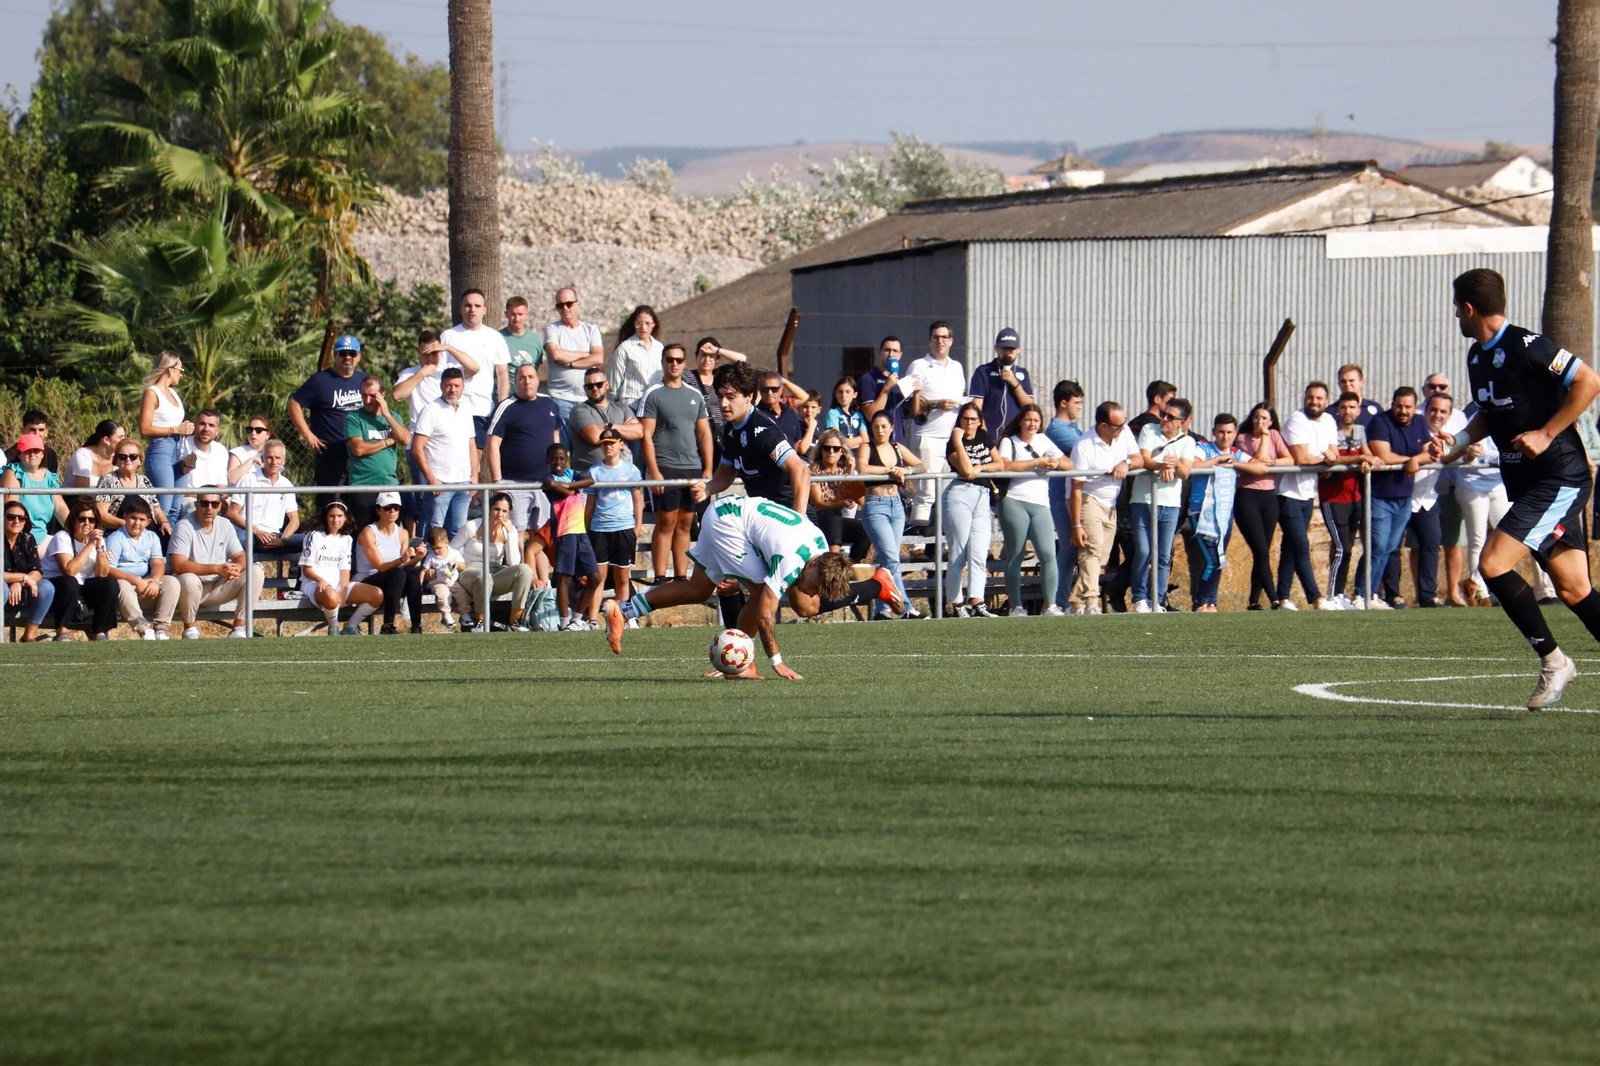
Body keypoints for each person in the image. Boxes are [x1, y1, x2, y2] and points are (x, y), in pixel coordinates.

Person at [1439, 268, 1600, 708]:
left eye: (1457, 308)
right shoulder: (1477, 357)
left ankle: (1554, 662)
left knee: (1491, 564)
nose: (1456, 316)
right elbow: (1491, 415)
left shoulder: (1529, 346)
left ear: (1469, 308)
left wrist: (1546, 433)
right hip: (1530, 483)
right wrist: (1456, 442)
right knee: (1573, 589)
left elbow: (1589, 381)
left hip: (1558, 477)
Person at [603, 494, 898, 681]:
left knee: (697, 590)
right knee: (760, 597)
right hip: (728, 524)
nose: (810, 590)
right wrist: (777, 661)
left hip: (726, 514)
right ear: (811, 566)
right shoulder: (792, 558)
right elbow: (766, 614)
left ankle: (624, 609)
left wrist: (739, 576)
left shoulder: (818, 549)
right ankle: (744, 664)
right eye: (814, 585)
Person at [1354, 387, 1442, 610]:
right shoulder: (1380, 422)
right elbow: (1384, 456)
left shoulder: (1421, 422)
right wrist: (1412, 460)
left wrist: (1415, 460)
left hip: (1404, 496)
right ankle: (1361, 593)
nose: (1403, 411)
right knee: (1377, 546)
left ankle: (1372, 595)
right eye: (1399, 406)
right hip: (1380, 496)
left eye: (1408, 407)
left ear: (1415, 407)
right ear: (1392, 404)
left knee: (1390, 547)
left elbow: (1430, 452)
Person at [639, 343, 713, 582]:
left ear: (684, 363)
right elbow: (646, 435)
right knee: (666, 521)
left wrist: (708, 468)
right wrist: (654, 471)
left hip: (692, 467)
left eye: (679, 360)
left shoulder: (694, 395)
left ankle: (681, 577)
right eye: (670, 359)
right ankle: (660, 576)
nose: (674, 364)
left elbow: (704, 433)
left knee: (686, 522)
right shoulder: (654, 394)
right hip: (666, 466)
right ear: (663, 362)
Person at [488, 362, 564, 580]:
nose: (527, 381)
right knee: (518, 534)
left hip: (545, 483)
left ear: (537, 379)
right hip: (515, 483)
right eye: (522, 378)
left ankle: (544, 584)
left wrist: (559, 475)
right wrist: (497, 480)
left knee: (540, 537)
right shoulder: (507, 406)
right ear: (516, 382)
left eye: (531, 377)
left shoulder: (549, 404)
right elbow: (493, 444)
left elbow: (556, 439)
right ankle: (524, 580)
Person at [1187, 413, 1267, 612]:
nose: (1225, 436)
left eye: (1229, 432)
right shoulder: (1203, 448)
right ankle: (1200, 601)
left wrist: (1235, 464)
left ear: (1235, 433)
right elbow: (1193, 465)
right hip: (1201, 510)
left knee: (1219, 559)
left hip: (1224, 514)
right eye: (1221, 432)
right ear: (1214, 432)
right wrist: (1218, 460)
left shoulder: (1235, 453)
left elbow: (1260, 467)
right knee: (1211, 560)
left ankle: (1211, 603)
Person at [1068, 402, 1142, 615]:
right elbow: (1076, 488)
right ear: (1102, 425)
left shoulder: (1124, 432)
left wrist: (1126, 462)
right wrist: (1076, 525)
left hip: (1111, 503)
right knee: (1092, 549)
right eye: (1117, 425)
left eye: (1123, 423)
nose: (1122, 428)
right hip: (1088, 499)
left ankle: (1076, 598)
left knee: (1101, 556)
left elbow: (1139, 458)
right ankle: (1092, 601)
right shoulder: (1084, 446)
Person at [1384, 391, 1453, 608]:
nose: (1437, 415)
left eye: (1443, 411)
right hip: (1400, 496)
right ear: (1423, 409)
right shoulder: (1414, 427)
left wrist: (1465, 452)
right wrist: (1414, 458)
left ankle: (1427, 595)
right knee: (1393, 546)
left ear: (1450, 414)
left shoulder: (1450, 436)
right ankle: (1393, 594)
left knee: (1431, 544)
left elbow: (1448, 455)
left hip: (1427, 499)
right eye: (1433, 410)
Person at [997, 404, 1068, 615]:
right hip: (1014, 500)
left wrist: (1056, 462)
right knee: (1016, 554)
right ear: (1020, 421)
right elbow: (1005, 465)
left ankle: (1051, 605)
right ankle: (1015, 606)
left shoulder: (1044, 440)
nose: (1032, 424)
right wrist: (1036, 461)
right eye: (1028, 420)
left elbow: (1069, 463)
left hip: (1040, 503)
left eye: (1036, 421)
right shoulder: (1009, 441)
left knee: (1047, 554)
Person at [1277, 381, 1342, 611]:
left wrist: (1330, 460)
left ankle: (1282, 598)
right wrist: (1326, 461)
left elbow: (1334, 453)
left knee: (1291, 547)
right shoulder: (1297, 419)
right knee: (1301, 545)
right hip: (1287, 493)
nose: (1314, 401)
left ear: (1326, 401)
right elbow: (1302, 458)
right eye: (1310, 397)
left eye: (1319, 398)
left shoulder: (1329, 421)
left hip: (1307, 493)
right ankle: (1315, 598)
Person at [857, 409, 924, 619]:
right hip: (875, 506)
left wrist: (906, 470)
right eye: (876, 427)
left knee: (888, 561)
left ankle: (882, 609)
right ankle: (904, 607)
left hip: (896, 505)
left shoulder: (897, 447)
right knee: (892, 559)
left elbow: (921, 466)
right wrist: (891, 470)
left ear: (891, 428)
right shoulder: (866, 447)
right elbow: (863, 468)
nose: (880, 431)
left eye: (884, 426)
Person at [169, 491, 264, 639]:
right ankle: (189, 628)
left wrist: (237, 567)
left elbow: (240, 556)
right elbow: (178, 565)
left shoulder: (225, 524)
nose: (209, 508)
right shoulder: (184, 526)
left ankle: (238, 627)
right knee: (189, 579)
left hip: (219, 586)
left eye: (214, 504)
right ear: (196, 505)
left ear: (220, 506)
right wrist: (216, 569)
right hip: (193, 589)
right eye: (204, 503)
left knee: (256, 570)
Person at [1131, 397, 1196, 613]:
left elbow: (1185, 472)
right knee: (1144, 550)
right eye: (1163, 414)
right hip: (1144, 500)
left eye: (1170, 417)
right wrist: (1162, 466)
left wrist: (1174, 462)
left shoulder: (1187, 442)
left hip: (1170, 504)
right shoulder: (1150, 429)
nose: (1164, 419)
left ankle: (1157, 600)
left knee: (1163, 553)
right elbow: (1144, 459)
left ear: (1182, 422)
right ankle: (1140, 597)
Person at [943, 402, 1005, 617]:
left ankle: (977, 602)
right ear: (959, 421)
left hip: (982, 496)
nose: (969, 423)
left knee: (979, 553)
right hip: (959, 494)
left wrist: (982, 466)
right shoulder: (953, 443)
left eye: (973, 419)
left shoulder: (985, 438)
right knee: (958, 554)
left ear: (979, 422)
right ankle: (957, 603)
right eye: (965, 419)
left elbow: (1000, 464)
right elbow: (965, 469)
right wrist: (958, 440)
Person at [289, 332, 369, 490]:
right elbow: (294, 404)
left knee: (358, 506)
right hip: (330, 455)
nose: (348, 357)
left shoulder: (364, 380)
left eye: (352, 353)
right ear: (335, 355)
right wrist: (308, 436)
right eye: (343, 353)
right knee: (329, 505)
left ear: (358, 356)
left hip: (359, 455)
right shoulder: (320, 380)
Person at [906, 321, 966, 527]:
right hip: (928, 437)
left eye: (944, 337)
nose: (940, 341)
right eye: (935, 337)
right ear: (929, 340)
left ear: (951, 341)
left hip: (951, 439)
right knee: (926, 493)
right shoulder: (919, 365)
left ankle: (944, 544)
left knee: (949, 493)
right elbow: (909, 405)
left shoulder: (957, 367)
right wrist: (935, 404)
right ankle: (917, 546)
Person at [582, 428, 643, 628]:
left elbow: (637, 499)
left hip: (623, 527)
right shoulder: (595, 471)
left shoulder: (631, 470)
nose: (608, 447)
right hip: (600, 528)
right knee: (598, 578)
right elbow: (590, 504)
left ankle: (622, 617)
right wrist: (586, 528)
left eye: (612, 442)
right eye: (605, 443)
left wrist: (637, 526)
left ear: (621, 444)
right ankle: (592, 619)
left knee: (622, 578)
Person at [440, 288, 511, 452]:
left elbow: (502, 376)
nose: (472, 309)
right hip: (451, 408)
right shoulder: (448, 336)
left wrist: (501, 408)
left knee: (475, 462)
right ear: (461, 308)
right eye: (468, 305)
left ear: (484, 309)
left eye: (477, 306)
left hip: (481, 408)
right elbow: (439, 374)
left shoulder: (495, 338)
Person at [1233, 403, 1289, 610]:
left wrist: (1271, 463)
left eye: (1264, 418)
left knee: (1263, 551)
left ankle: (1254, 601)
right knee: (1260, 549)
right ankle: (1274, 598)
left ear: (1271, 421)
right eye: (1257, 417)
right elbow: (1257, 466)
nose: (1259, 421)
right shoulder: (1243, 438)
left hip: (1269, 497)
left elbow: (1288, 459)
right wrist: (1264, 437)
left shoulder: (1275, 435)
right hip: (1248, 496)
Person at [410, 366, 477, 538]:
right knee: (433, 531)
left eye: (456, 385)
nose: (452, 389)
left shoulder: (466, 410)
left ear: (463, 387)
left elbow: (471, 445)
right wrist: (431, 478)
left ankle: (452, 565)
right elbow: (417, 448)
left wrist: (474, 476)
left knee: (458, 532)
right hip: (440, 484)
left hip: (463, 483)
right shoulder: (431, 410)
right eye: (448, 385)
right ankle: (426, 565)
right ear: (441, 386)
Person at [453, 491, 533, 633]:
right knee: (483, 577)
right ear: (489, 509)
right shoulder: (473, 526)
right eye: (496, 509)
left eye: (504, 511)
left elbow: (514, 563)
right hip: (471, 571)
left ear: (509, 513)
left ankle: (514, 621)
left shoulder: (510, 530)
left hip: (495, 572)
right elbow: (450, 550)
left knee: (524, 570)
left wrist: (510, 535)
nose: (499, 514)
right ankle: (480, 621)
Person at [298, 500, 381, 635]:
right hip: (314, 585)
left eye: (339, 516)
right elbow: (306, 569)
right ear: (326, 517)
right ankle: (333, 627)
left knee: (377, 595)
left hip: (337, 584)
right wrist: (321, 580)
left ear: (346, 518)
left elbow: (344, 568)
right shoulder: (314, 536)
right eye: (332, 516)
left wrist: (343, 589)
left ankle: (351, 626)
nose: (335, 520)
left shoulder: (346, 538)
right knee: (332, 597)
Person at [102, 497, 180, 639]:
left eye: (142, 519)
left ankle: (161, 628)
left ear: (148, 522)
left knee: (171, 582)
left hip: (145, 584)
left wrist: (155, 581)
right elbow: (109, 569)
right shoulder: (116, 538)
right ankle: (143, 629)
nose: (137, 523)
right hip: (123, 590)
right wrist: (136, 581)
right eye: (133, 518)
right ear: (125, 517)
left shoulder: (152, 537)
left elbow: (157, 563)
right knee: (122, 584)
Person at [1320, 392, 1371, 605]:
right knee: (1342, 548)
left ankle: (1342, 595)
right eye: (1344, 407)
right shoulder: (1329, 430)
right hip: (1333, 497)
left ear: (1358, 410)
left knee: (1348, 546)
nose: (1348, 411)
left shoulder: (1360, 431)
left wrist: (1367, 459)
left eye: (1352, 407)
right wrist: (1361, 457)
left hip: (1355, 496)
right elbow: (1334, 458)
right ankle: (1333, 595)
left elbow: (1367, 452)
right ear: (1338, 409)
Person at [40, 503, 116, 640]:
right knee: (70, 582)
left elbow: (102, 574)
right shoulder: (62, 536)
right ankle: (62, 631)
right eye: (82, 519)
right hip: (59, 587)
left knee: (109, 583)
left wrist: (99, 549)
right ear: (73, 520)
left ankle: (99, 632)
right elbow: (69, 570)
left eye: (91, 520)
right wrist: (90, 545)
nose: (87, 523)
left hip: (83, 586)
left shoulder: (98, 539)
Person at [352, 492, 425, 635]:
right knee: (398, 572)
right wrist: (403, 559)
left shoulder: (403, 533)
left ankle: (416, 626)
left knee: (412, 574)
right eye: (387, 508)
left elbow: (405, 564)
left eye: (396, 508)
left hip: (394, 581)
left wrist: (417, 558)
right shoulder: (369, 532)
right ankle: (388, 624)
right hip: (367, 581)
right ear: (378, 510)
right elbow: (381, 567)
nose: (392, 511)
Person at [543, 444, 598, 631]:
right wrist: (569, 490)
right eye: (553, 458)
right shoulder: (548, 477)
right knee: (565, 578)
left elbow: (589, 481)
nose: (558, 462)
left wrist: (568, 486)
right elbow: (552, 485)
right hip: (565, 532)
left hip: (580, 531)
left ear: (566, 458)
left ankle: (577, 618)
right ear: (548, 459)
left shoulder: (571, 474)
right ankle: (565, 622)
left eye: (561, 458)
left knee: (595, 578)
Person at [344, 377, 411, 530]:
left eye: (372, 396)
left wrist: (387, 415)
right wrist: (387, 442)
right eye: (363, 395)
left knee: (390, 533)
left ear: (382, 395)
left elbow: (406, 439)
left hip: (389, 485)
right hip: (363, 486)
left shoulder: (394, 417)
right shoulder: (354, 418)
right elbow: (358, 449)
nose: (367, 400)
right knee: (364, 534)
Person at [1044, 380, 1085, 615]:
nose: (1079, 407)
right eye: (1076, 403)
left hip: (1073, 496)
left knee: (1074, 550)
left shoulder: (1073, 428)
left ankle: (1063, 599)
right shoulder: (1057, 430)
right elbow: (1085, 452)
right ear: (1063, 403)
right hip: (1061, 496)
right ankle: (1058, 600)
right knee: (1068, 550)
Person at [138, 352, 193, 526]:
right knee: (164, 505)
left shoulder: (174, 394)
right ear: (170, 370)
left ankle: (170, 549)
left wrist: (184, 428)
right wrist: (175, 429)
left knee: (177, 506)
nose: (181, 374)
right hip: (162, 448)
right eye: (180, 370)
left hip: (180, 448)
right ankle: (157, 547)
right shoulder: (152, 393)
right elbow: (144, 428)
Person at [543, 287, 606, 431]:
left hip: (587, 399)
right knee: (563, 450)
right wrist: (584, 354)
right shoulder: (552, 329)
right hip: (561, 399)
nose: (565, 308)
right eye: (560, 305)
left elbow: (598, 358)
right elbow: (556, 355)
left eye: (569, 304)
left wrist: (570, 364)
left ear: (578, 304)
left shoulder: (591, 330)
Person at [225, 439, 301, 555]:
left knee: (309, 541)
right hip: (249, 533)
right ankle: (246, 571)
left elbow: (294, 520)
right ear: (263, 459)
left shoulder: (286, 484)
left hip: (275, 536)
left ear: (283, 461)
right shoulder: (248, 479)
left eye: (278, 458)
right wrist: (257, 531)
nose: (273, 462)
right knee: (241, 540)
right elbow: (231, 513)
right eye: (269, 457)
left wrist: (281, 540)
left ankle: (297, 572)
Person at [808, 429, 871, 562]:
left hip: (835, 523)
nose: (831, 452)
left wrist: (850, 475)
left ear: (841, 451)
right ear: (821, 450)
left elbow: (861, 500)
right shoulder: (813, 470)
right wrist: (841, 504)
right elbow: (818, 503)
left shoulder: (844, 470)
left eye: (835, 449)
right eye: (827, 448)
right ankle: (834, 561)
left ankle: (852, 567)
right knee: (833, 513)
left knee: (865, 528)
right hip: (816, 519)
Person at [569, 368, 643, 477]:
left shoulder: (622, 407)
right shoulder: (579, 410)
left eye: (599, 384)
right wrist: (623, 428)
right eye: (590, 386)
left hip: (622, 474)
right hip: (589, 477)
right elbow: (594, 437)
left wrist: (608, 426)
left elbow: (639, 432)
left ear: (607, 385)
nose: (594, 388)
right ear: (585, 389)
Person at [970, 327, 1034, 446]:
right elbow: (976, 407)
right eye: (1004, 349)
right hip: (989, 437)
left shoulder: (1022, 374)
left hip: (1015, 439)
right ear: (996, 348)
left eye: (1012, 349)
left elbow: (1029, 406)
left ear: (1018, 349)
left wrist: (1014, 383)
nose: (1008, 353)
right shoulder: (983, 372)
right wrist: (983, 434)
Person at [2, 499, 55, 642]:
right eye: (11, 517)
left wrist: (20, 582)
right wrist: (23, 577)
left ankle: (29, 635)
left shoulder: (28, 538)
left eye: (21, 518)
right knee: (3, 589)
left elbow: (36, 571)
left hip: (23, 590)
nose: (17, 521)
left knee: (47, 587)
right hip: (4, 590)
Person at [2, 432, 67, 545]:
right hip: (20, 539)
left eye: (36, 450)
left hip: (44, 537)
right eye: (27, 451)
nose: (32, 454)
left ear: (43, 454)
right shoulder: (12, 473)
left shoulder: (49, 477)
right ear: (19, 454)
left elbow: (61, 509)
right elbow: (11, 512)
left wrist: (76, 531)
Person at [691, 336, 747, 459]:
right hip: (696, 435)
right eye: (703, 355)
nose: (707, 359)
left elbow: (742, 361)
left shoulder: (721, 377)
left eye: (711, 356)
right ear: (696, 357)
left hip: (722, 434)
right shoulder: (687, 377)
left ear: (717, 359)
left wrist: (717, 350)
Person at [608, 304, 664, 415]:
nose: (643, 327)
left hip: (655, 406)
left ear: (653, 324)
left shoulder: (660, 348)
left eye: (647, 323)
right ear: (634, 324)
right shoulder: (624, 348)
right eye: (639, 323)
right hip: (631, 406)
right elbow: (614, 383)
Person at [858, 335, 913, 444]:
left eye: (895, 351)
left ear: (900, 355)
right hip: (876, 443)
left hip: (898, 443)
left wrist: (916, 393)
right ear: (880, 353)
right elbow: (871, 415)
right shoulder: (868, 379)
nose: (891, 354)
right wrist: (886, 389)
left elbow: (909, 413)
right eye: (887, 350)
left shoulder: (899, 381)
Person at [173, 409, 229, 511]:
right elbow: (178, 488)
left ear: (217, 431)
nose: (206, 429)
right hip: (189, 500)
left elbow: (222, 487)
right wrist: (206, 497)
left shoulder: (221, 451)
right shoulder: (183, 445)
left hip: (214, 500)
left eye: (211, 425)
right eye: (202, 424)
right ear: (195, 426)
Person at [420, 526, 468, 629]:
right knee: (443, 596)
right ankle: (446, 614)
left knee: (462, 595)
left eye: (439, 548)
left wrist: (456, 563)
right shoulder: (431, 557)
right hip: (438, 582)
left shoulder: (454, 553)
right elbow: (423, 571)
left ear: (447, 542)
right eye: (433, 548)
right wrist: (420, 584)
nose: (436, 551)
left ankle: (465, 614)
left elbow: (463, 567)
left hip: (453, 581)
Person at [65, 419, 125, 495]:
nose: (124, 441)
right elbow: (84, 494)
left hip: (106, 501)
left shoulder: (121, 458)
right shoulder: (82, 456)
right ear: (106, 440)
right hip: (76, 501)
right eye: (120, 437)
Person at [500, 295, 543, 389]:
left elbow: (535, 369)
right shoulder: (497, 338)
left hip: (527, 396)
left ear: (527, 315)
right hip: (503, 396)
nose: (517, 319)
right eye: (513, 314)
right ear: (506, 314)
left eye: (520, 314)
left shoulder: (536, 340)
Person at [757, 370, 807, 446]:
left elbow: (796, 442)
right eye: (765, 389)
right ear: (760, 390)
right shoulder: (755, 415)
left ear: (781, 389)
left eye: (774, 389)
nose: (770, 393)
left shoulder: (790, 413)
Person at [227, 415, 274, 485]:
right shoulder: (238, 452)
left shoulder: (274, 454)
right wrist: (251, 460)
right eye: (250, 430)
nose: (253, 433)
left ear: (268, 434)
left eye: (258, 430)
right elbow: (232, 479)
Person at [825, 377, 866, 449]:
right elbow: (838, 442)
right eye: (840, 392)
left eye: (847, 391)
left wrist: (861, 440)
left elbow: (866, 441)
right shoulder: (832, 413)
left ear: (855, 394)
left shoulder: (858, 415)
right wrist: (860, 439)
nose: (844, 395)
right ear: (835, 394)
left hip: (857, 455)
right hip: (841, 457)